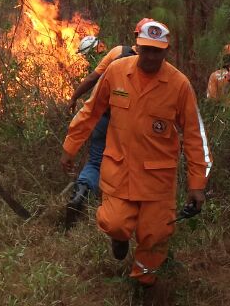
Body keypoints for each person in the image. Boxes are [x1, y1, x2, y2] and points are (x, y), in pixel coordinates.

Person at [62, 20, 211, 287]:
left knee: (154, 235)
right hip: (120, 170)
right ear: (137, 46)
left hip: (158, 179)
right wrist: (70, 147)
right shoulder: (117, 71)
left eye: (158, 51)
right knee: (114, 223)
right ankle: (119, 238)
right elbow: (91, 110)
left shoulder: (179, 85)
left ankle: (142, 282)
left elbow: (193, 136)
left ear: (166, 51)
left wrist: (197, 184)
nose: (151, 56)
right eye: (146, 50)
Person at [64, 21, 150, 224]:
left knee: (95, 161)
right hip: (132, 124)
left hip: (105, 116)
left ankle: (82, 191)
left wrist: (74, 97)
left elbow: (92, 79)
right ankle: (120, 208)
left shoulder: (118, 51)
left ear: (136, 35)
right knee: (128, 164)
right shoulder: (157, 65)